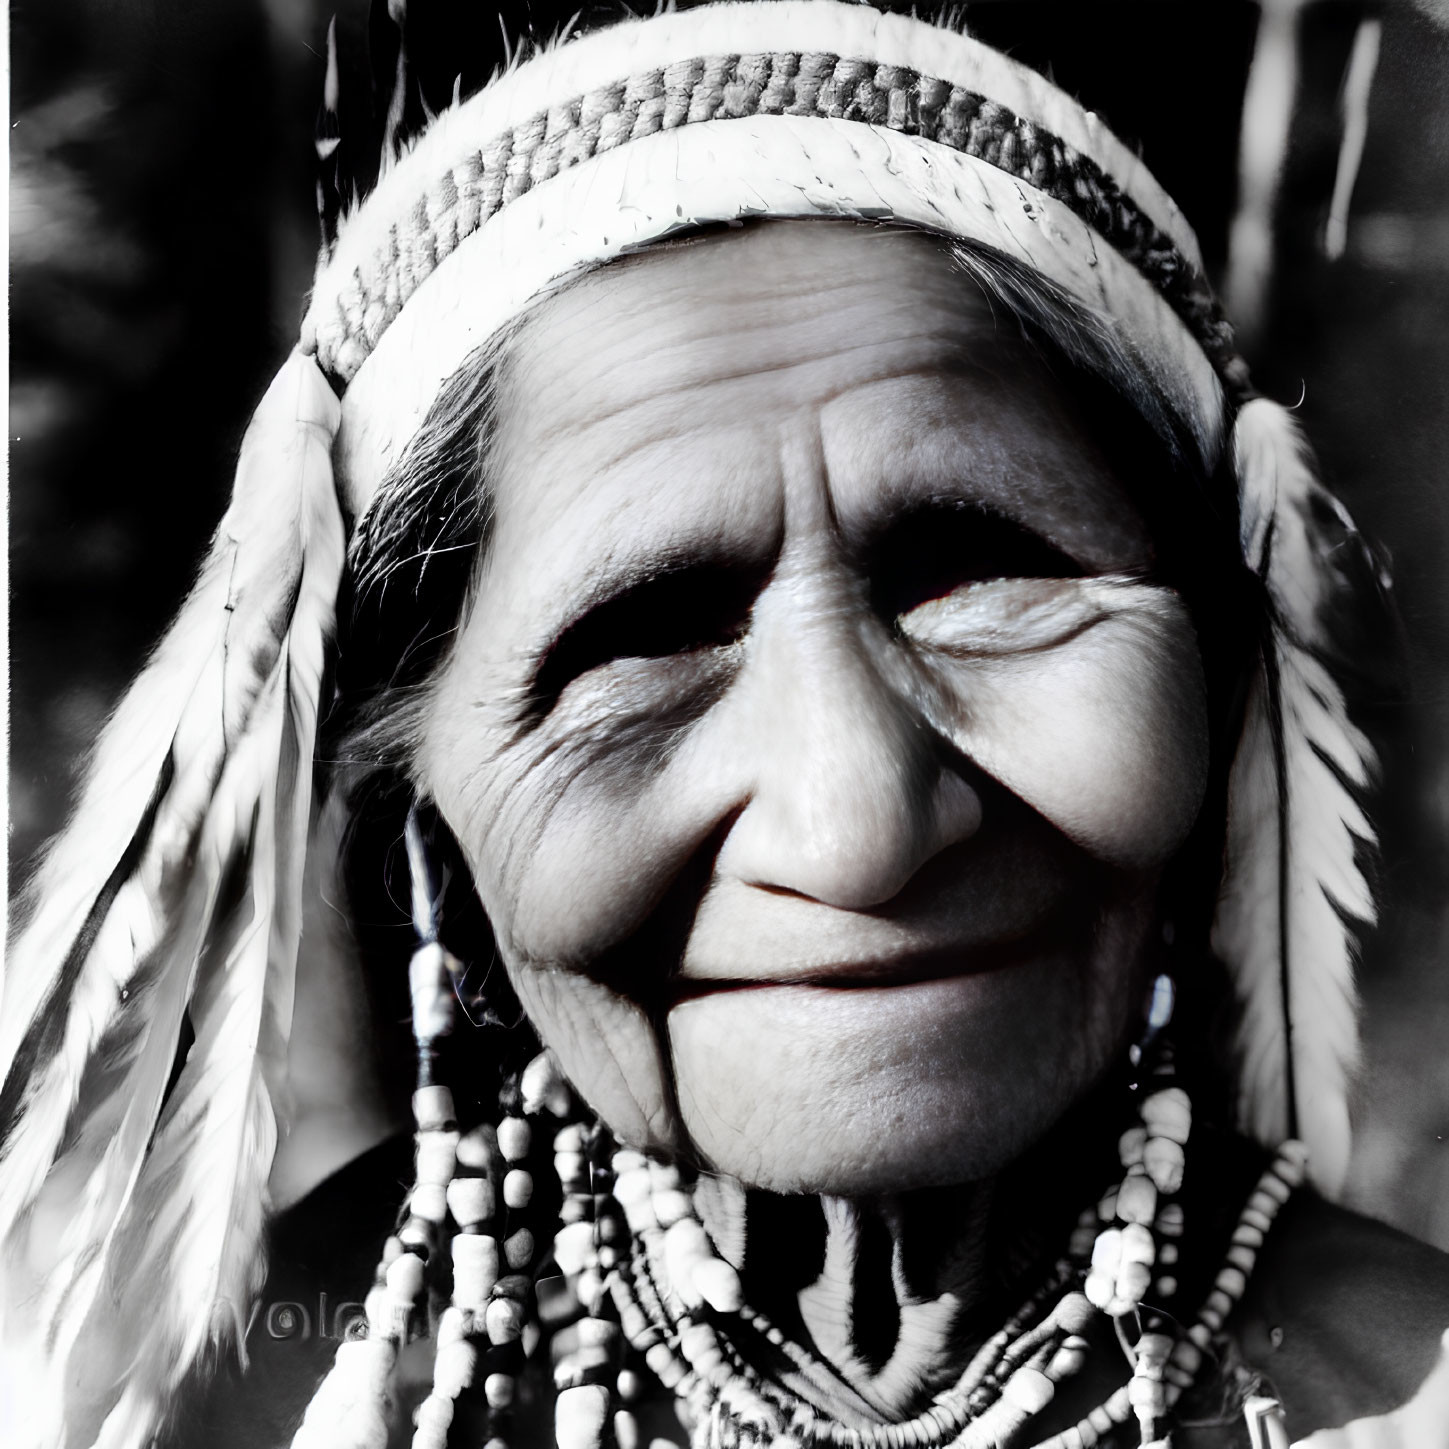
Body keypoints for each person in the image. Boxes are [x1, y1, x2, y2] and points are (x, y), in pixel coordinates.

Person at [2, 3, 1447, 1448]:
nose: (856, 821)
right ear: (415, 763)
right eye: (645, 633)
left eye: (975, 570)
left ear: (1212, 654)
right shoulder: (217, 1406)